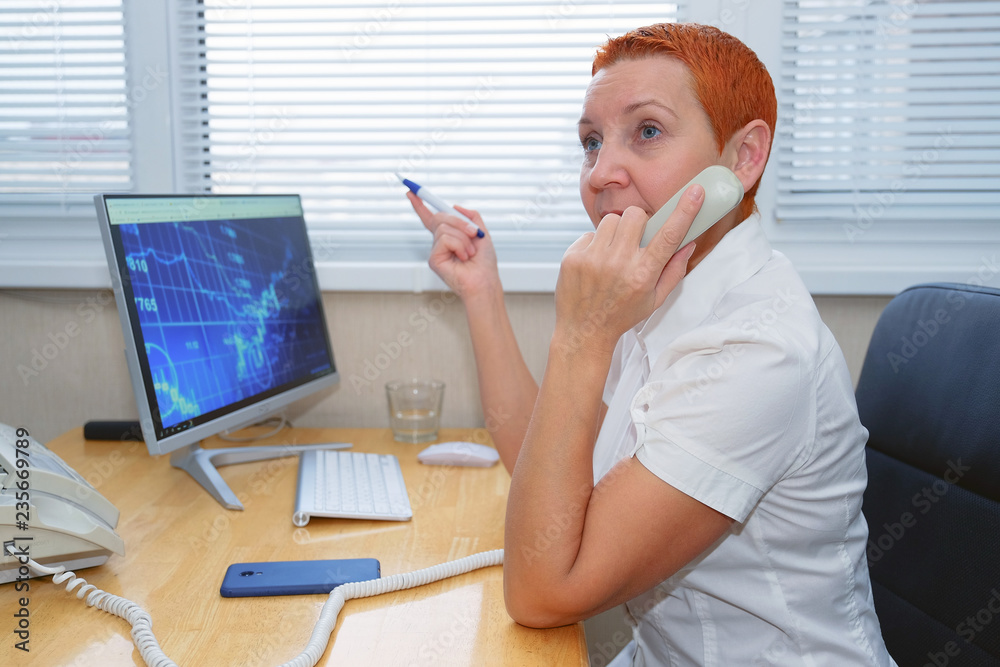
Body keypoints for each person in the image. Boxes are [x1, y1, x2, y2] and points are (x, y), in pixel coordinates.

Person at [405, 22, 896, 667]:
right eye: (590, 142)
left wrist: (582, 335)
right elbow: (548, 458)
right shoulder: (665, 293)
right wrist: (481, 293)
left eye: (647, 131)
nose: (602, 173)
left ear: (743, 159)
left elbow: (544, 591)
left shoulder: (759, 350)